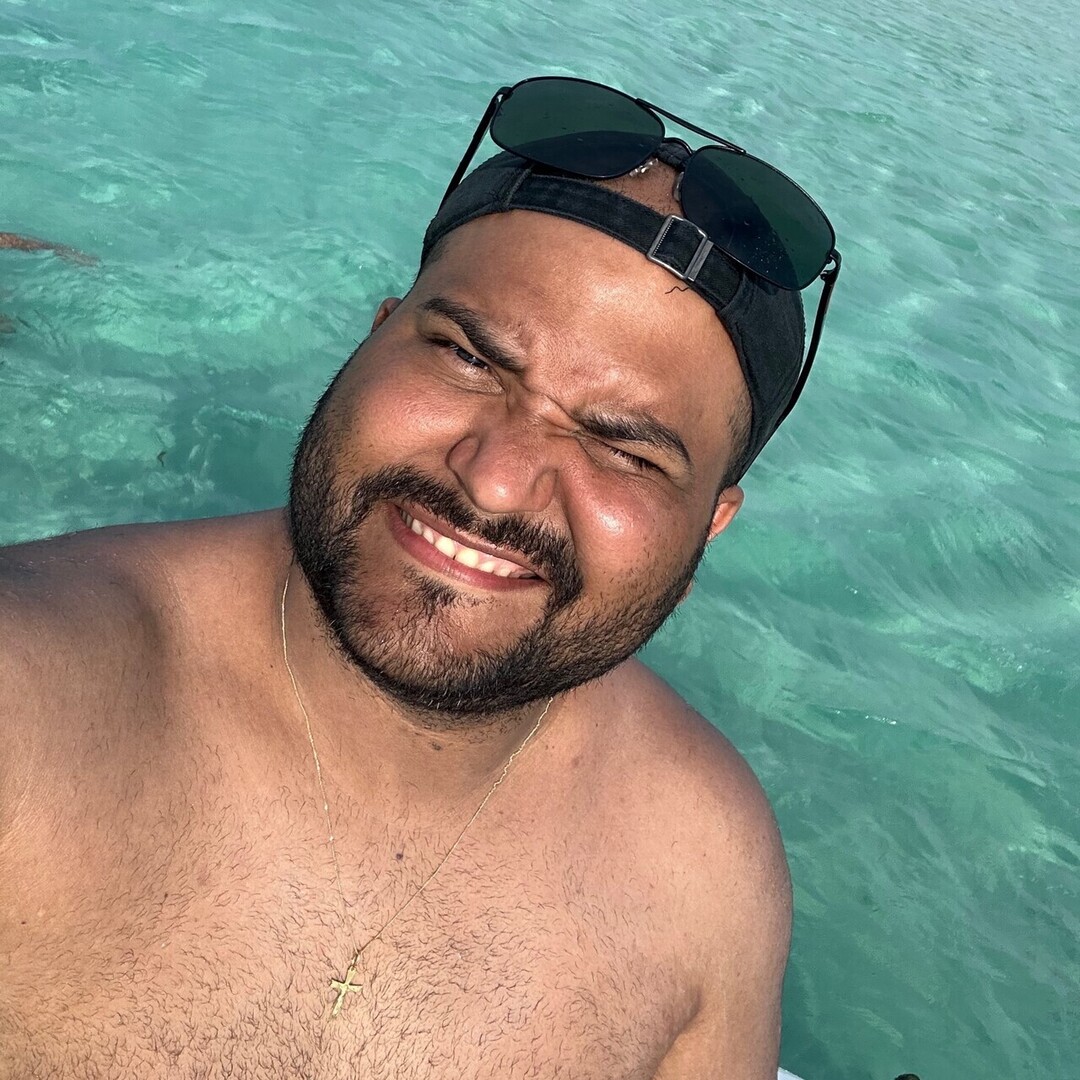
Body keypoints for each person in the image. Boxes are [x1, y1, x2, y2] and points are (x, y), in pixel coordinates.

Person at [0, 78, 840, 1078]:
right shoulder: (35, 698)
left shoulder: (708, 875)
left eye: (623, 447)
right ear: (375, 334)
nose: (495, 478)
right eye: (467, 358)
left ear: (710, 527)